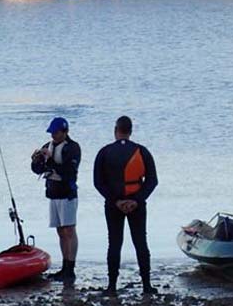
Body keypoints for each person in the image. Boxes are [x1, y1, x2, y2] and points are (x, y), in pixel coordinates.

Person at [93, 116, 158, 295]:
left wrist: (116, 201)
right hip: (136, 204)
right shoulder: (141, 151)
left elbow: (98, 182)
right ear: (130, 131)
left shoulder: (104, 152)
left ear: (116, 130)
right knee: (140, 242)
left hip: (114, 204)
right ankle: (147, 286)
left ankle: (112, 286)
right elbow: (152, 180)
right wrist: (136, 200)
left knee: (114, 242)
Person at [31, 117, 81, 284]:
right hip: (53, 193)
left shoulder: (72, 148)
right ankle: (64, 267)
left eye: (56, 132)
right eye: (52, 133)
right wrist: (36, 160)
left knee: (69, 230)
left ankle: (70, 268)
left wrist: (51, 160)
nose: (53, 136)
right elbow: (37, 169)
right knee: (60, 231)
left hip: (67, 194)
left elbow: (68, 172)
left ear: (64, 132)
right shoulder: (48, 146)